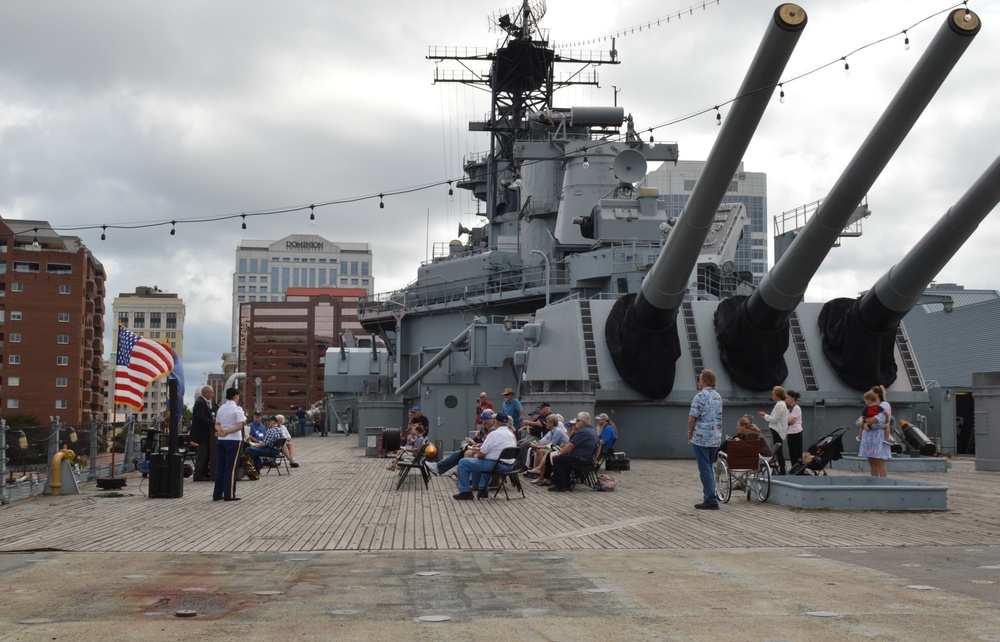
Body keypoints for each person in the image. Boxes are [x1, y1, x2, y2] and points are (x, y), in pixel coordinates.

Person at [453, 410, 517, 500]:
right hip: (510, 466)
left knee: (463, 462)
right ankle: (482, 490)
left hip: (497, 465)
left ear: (496, 423)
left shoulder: (494, 434)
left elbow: (482, 453)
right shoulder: (510, 434)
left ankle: (465, 492)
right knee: (486, 461)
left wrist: (477, 456)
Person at [689, 369, 723, 510]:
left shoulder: (700, 396)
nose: (699, 381)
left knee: (704, 468)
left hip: (701, 438)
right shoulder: (718, 396)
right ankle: (711, 495)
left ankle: (710, 499)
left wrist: (690, 432)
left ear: (704, 381)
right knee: (709, 466)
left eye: (700, 379)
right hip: (715, 436)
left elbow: (692, 418)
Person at [428, 411, 496, 477]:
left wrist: (478, 445)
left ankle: (439, 468)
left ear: (484, 422)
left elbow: (488, 444)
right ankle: (438, 468)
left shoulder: (492, 431)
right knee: (458, 454)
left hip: (484, 452)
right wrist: (477, 439)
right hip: (482, 449)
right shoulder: (487, 429)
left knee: (459, 454)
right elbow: (483, 439)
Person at [548, 412, 599, 492]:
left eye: (577, 420)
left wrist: (560, 453)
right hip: (587, 459)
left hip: (580, 459)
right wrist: (595, 459)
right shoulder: (593, 431)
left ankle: (560, 486)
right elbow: (598, 446)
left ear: (582, 422)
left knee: (557, 459)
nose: (576, 422)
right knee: (564, 460)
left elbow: (571, 445)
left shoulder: (583, 431)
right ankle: (566, 484)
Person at [213, 388, 247, 502]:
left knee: (220, 468)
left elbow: (217, 424)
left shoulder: (221, 408)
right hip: (233, 440)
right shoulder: (237, 409)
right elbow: (240, 426)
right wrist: (227, 432)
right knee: (231, 468)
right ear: (236, 396)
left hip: (221, 440)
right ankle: (229, 494)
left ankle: (217, 494)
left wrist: (221, 431)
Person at [857, 390, 891, 477]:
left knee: (879, 462)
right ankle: (874, 481)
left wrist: (864, 421)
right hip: (869, 438)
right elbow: (858, 421)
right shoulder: (868, 408)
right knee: (871, 462)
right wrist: (864, 423)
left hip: (878, 437)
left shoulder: (883, 405)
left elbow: (878, 420)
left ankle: (883, 483)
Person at [758, 386, 789, 475]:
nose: (772, 395)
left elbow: (774, 419)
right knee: (778, 450)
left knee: (778, 451)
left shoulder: (779, 405)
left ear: (778, 395)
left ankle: (782, 470)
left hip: (777, 430)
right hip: (778, 430)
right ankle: (781, 469)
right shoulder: (781, 404)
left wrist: (764, 415)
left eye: (773, 393)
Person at [190, 385, 215, 481]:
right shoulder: (200, 402)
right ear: (206, 393)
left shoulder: (205, 402)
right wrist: (213, 423)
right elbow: (200, 418)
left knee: (206, 455)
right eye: (211, 392)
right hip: (201, 434)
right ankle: (198, 475)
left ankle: (204, 473)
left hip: (206, 434)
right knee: (202, 455)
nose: (212, 394)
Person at [785, 390, 803, 469]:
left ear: (793, 398)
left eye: (788, 398)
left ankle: (798, 468)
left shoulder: (796, 408)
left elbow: (792, 421)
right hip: (790, 432)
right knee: (791, 452)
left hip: (796, 432)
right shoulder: (790, 409)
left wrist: (784, 422)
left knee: (797, 452)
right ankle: (794, 468)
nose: (786, 399)